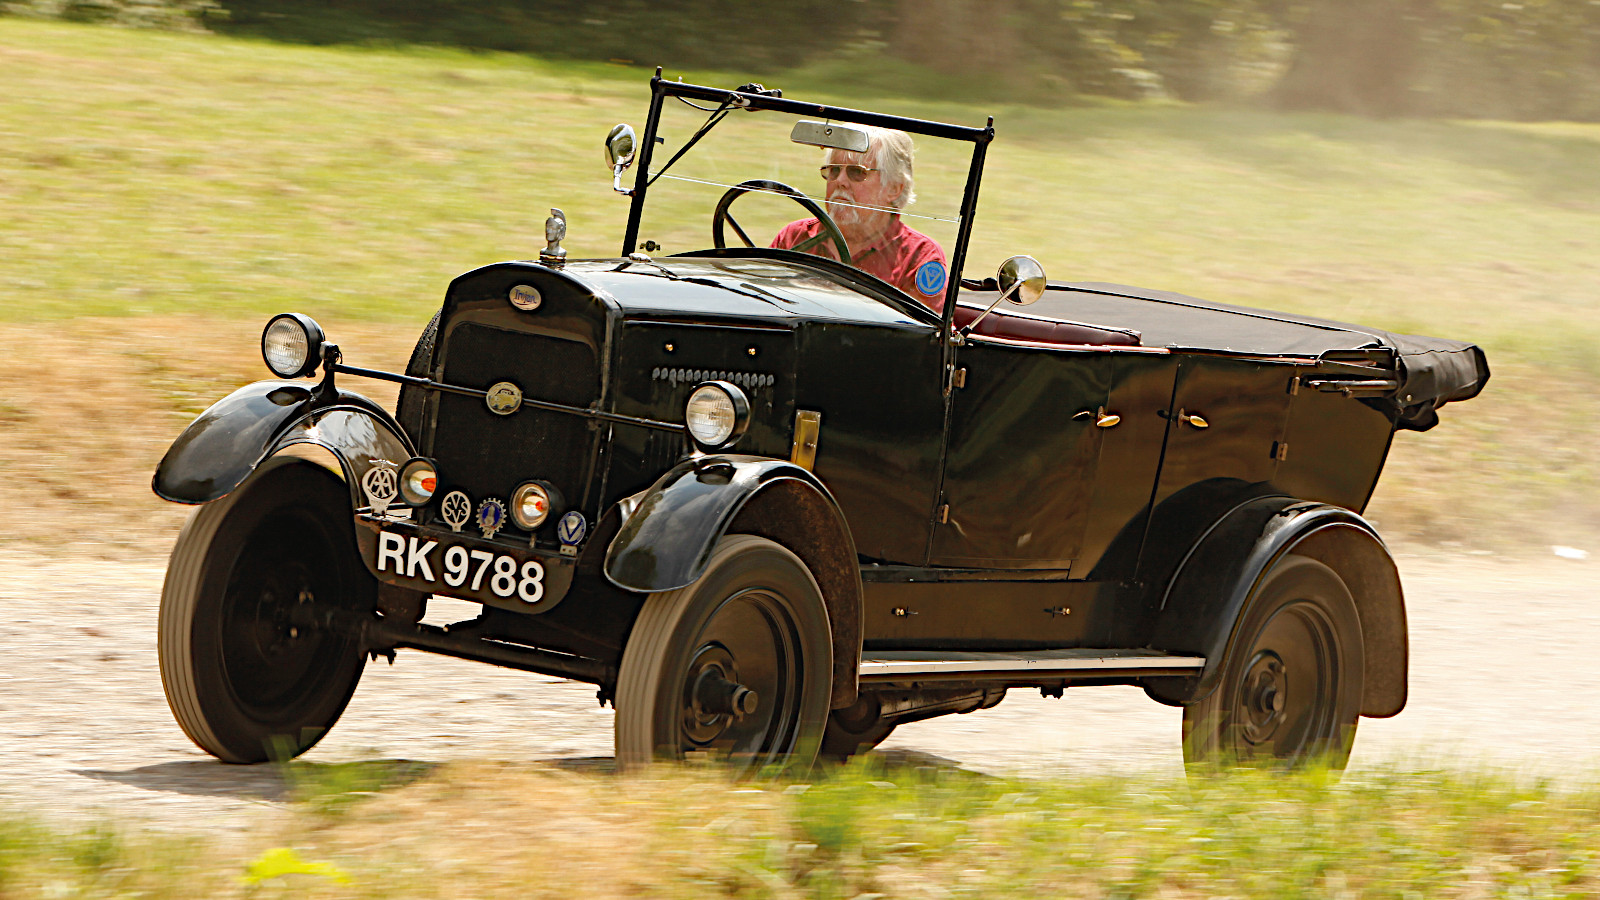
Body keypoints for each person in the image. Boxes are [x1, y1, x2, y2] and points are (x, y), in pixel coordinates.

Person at [771, 127, 950, 310]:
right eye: (834, 170)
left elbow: (919, 327)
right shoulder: (793, 237)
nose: (840, 181)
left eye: (857, 172)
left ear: (893, 188)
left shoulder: (919, 257)